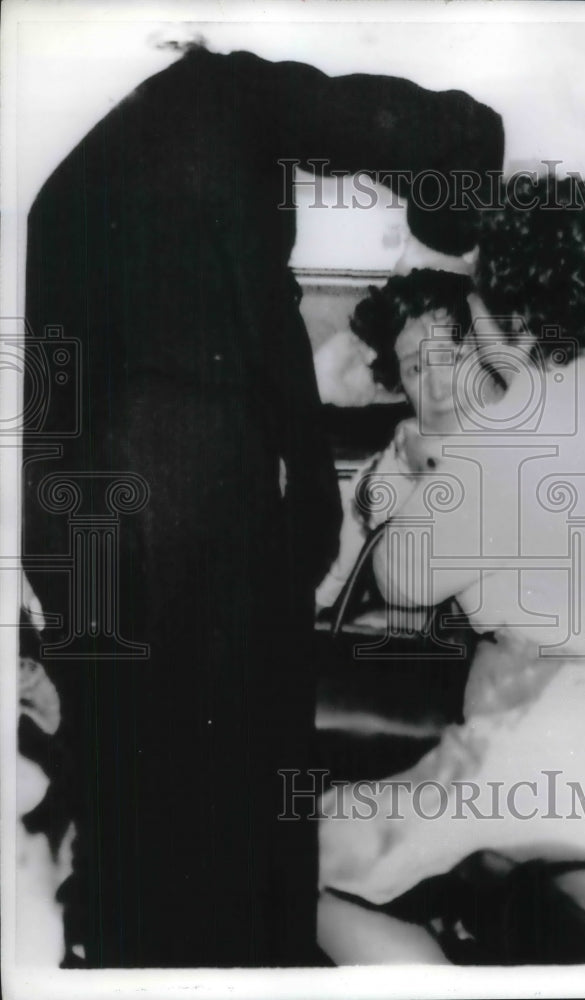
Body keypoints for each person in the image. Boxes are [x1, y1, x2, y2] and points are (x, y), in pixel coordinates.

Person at [22, 42, 503, 967]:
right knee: (246, 789)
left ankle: (135, 951)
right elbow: (447, 125)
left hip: (82, 529)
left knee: (129, 789)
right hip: (189, 514)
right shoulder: (238, 97)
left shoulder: (83, 181)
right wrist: (312, 528)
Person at [319, 174, 585, 940]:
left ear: (503, 306)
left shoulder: (511, 424)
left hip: (548, 763)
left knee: (281, 860)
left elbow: (405, 578)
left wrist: (421, 473)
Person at [315, 268, 475, 613]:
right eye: (416, 369)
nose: (437, 388)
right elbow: (332, 586)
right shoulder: (395, 463)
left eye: (453, 358)